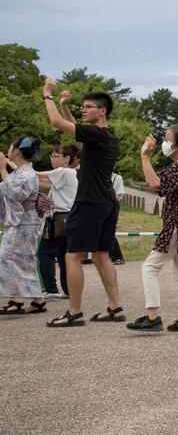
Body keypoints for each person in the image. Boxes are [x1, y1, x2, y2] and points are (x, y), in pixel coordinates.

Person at [42, 81, 125, 327]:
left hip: (89, 202)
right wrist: (64, 106)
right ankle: (114, 307)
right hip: (107, 203)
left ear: (103, 111)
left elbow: (57, 123)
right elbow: (75, 128)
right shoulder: (107, 136)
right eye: (83, 107)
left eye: (89, 107)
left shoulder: (97, 134)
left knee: (72, 256)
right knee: (101, 256)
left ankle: (74, 312)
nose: (84, 110)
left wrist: (48, 96)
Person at [126, 125, 178, 332]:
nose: (164, 143)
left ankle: (153, 316)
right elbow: (156, 179)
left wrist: (144, 156)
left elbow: (154, 184)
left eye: (168, 138)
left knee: (149, 267)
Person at [0, 137, 48, 315]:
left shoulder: (27, 174)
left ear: (17, 151)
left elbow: (16, 193)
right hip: (22, 221)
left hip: (23, 221)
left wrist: (2, 171)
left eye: (10, 147)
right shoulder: (22, 172)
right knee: (23, 259)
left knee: (8, 257)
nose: (8, 151)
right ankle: (38, 300)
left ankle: (16, 300)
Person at [35, 143, 81, 299]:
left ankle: (51, 289)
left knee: (44, 253)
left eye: (55, 156)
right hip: (70, 218)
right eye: (51, 156)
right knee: (64, 256)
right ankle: (68, 290)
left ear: (67, 158)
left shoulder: (63, 171)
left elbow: (36, 174)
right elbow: (42, 182)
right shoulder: (71, 174)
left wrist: (13, 165)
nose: (52, 159)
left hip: (59, 218)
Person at [109, 172, 126, 265]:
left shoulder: (117, 178)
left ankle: (117, 257)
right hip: (101, 205)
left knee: (110, 230)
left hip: (112, 205)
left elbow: (120, 193)